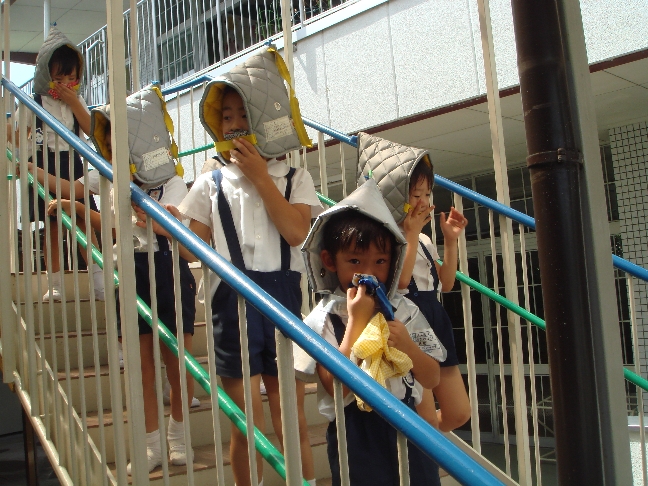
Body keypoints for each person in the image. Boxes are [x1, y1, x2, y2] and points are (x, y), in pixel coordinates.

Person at [137, 50, 322, 486]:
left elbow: (297, 232)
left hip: (283, 304)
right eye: (226, 116)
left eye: (244, 112)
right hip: (230, 306)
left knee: (291, 418)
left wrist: (260, 176)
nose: (235, 122)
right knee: (246, 425)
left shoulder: (295, 178)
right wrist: (166, 224)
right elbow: (191, 251)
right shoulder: (210, 181)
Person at [49, 89, 197, 474]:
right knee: (140, 365)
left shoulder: (172, 181)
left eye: (123, 139)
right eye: (110, 140)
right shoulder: (111, 181)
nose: (116, 148)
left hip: (167, 268)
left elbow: (185, 240)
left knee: (177, 362)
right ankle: (151, 445)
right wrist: (76, 207)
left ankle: (178, 438)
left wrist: (155, 219)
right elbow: (115, 227)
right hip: (128, 272)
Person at [293, 179, 446, 486]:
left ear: (394, 260)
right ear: (329, 261)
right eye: (355, 261)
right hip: (355, 434)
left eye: (380, 261)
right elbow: (337, 388)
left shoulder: (405, 310)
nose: (368, 272)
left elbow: (431, 378)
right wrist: (356, 322)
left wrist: (409, 348)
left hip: (409, 424)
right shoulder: (324, 318)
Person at [355, 132, 471, 432]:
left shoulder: (424, 240)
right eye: (416, 195)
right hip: (410, 324)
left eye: (427, 195)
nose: (424, 202)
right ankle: (416, 449)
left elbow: (446, 283)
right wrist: (410, 232)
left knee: (459, 413)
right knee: (427, 417)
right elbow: (402, 281)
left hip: (435, 319)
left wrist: (450, 241)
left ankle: (416, 444)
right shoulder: (387, 240)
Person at [7, 27, 101, 302]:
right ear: (46, 76)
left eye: (71, 79)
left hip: (72, 163)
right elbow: (20, 135)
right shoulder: (33, 102)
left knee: (84, 221)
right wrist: (19, 156)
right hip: (43, 163)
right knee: (53, 224)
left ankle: (98, 279)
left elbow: (91, 129)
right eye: (59, 79)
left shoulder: (76, 100)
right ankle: (55, 282)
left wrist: (74, 102)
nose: (65, 85)